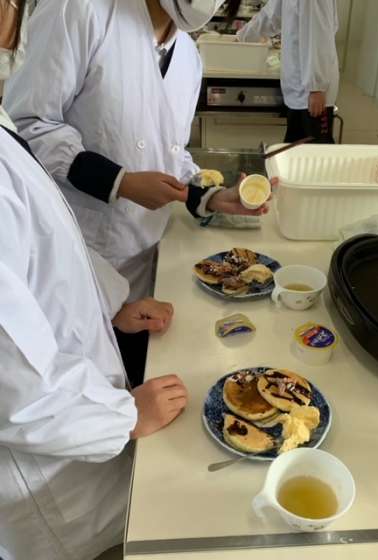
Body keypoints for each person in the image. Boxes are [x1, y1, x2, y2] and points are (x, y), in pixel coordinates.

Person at [0, 1, 188, 558]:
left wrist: (110, 307)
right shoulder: (84, 12)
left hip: (82, 404)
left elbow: (42, 254)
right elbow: (15, 389)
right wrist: (123, 417)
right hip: (49, 489)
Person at [4, 0, 255, 303]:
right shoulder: (80, 11)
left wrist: (209, 196)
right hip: (75, 261)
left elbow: (169, 150)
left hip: (149, 261)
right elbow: (26, 125)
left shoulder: (188, 56)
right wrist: (119, 181)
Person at [237, 0, 339, 144]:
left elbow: (318, 36)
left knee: (314, 150)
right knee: (294, 148)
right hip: (299, 87)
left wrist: (316, 87)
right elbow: (271, 16)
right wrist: (243, 36)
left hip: (311, 92)